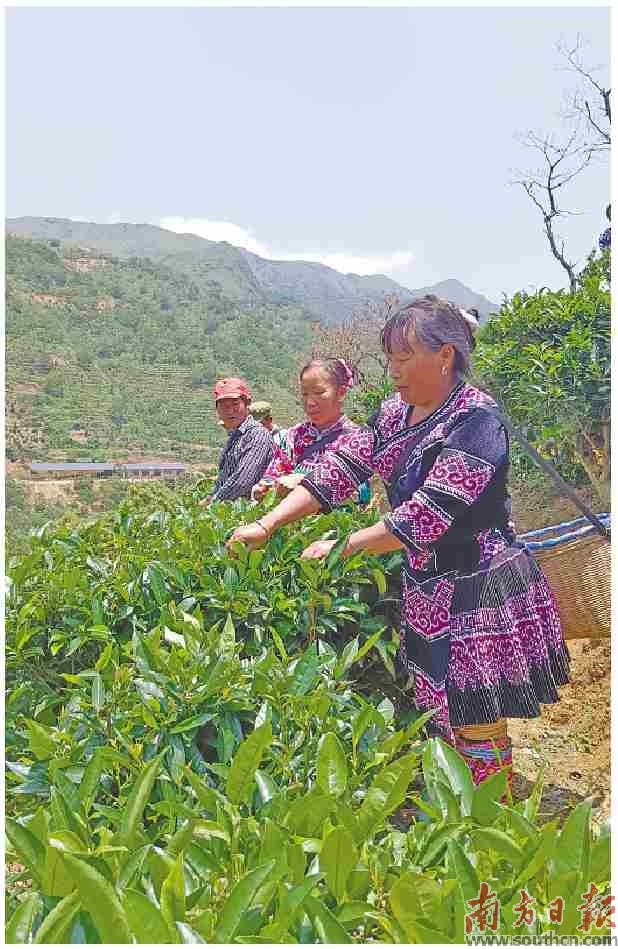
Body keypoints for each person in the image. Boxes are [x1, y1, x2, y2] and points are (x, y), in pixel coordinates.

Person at [228, 296, 569, 787]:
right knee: (438, 703)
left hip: (477, 586)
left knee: (475, 710)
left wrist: (341, 547)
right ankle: (458, 808)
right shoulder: (393, 414)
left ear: (445, 355)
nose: (393, 371)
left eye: (404, 357)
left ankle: (490, 822)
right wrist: (268, 525)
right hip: (427, 582)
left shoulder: (476, 421)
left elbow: (427, 515)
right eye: (389, 358)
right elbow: (341, 471)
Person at [250, 357, 370, 506]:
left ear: (341, 393)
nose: (310, 402)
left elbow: (361, 493)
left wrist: (304, 482)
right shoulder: (294, 436)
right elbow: (273, 473)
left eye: (319, 392)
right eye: (305, 394)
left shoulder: (358, 439)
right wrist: (264, 488)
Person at [199, 377, 273, 506]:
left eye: (235, 404)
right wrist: (209, 498)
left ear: (247, 404)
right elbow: (225, 479)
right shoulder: (236, 436)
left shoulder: (257, 434)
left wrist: (212, 505)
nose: (229, 411)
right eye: (223, 406)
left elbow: (242, 482)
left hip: (246, 515)